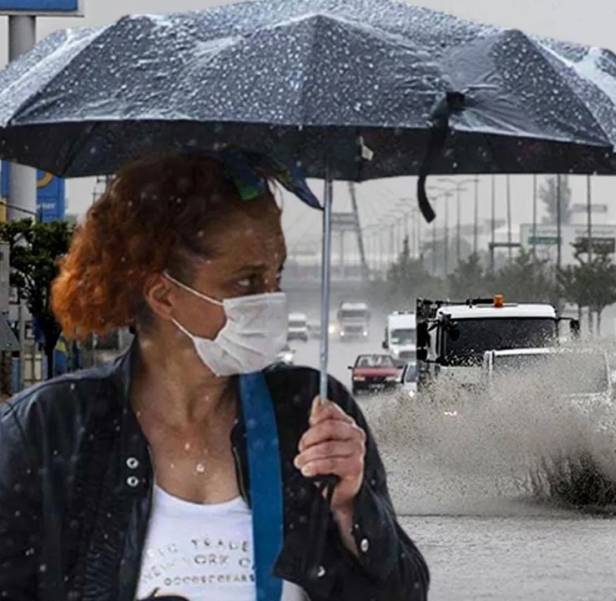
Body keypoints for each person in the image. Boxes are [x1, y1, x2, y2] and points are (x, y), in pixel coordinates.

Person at [0, 154, 429, 600]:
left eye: (275, 275)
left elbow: (406, 592)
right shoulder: (49, 432)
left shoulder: (310, 413)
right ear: (164, 295)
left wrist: (352, 510)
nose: (271, 299)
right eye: (245, 282)